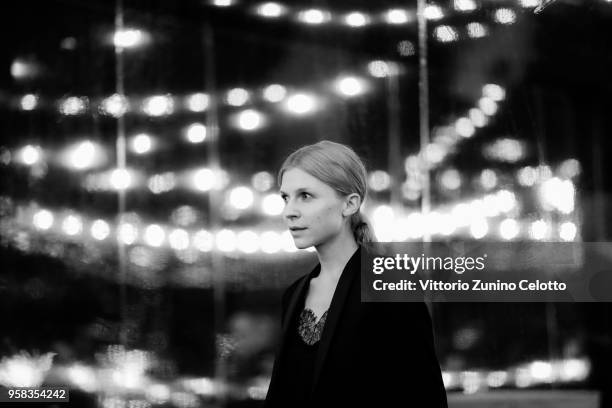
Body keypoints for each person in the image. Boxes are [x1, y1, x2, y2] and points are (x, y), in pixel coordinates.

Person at [264, 140, 447, 407]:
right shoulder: (294, 293)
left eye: (305, 196)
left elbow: (424, 396)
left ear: (349, 204)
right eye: (285, 197)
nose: (289, 211)